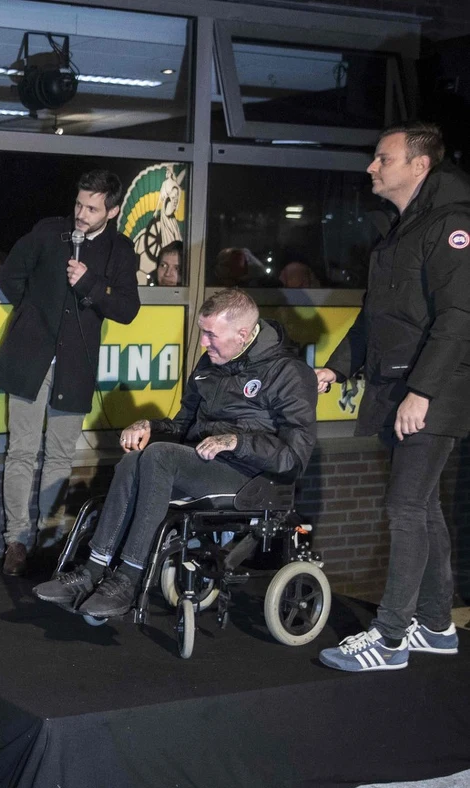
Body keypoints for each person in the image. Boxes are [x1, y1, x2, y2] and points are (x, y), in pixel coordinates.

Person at [34, 289, 317, 619]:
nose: (204, 343)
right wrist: (150, 426)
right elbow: (183, 426)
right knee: (134, 458)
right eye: (202, 332)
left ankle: (127, 580)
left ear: (242, 334)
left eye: (211, 335)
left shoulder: (288, 373)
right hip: (203, 464)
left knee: (158, 457)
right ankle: (91, 572)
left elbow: (294, 458)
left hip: (251, 477)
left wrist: (237, 443)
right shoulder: (211, 364)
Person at [315, 121, 470, 672]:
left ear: (419, 165)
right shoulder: (402, 230)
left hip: (433, 390)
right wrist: (334, 369)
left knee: (405, 507)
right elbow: (374, 316)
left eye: (384, 158)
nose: (372, 167)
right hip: (395, 385)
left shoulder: (452, 226)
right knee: (422, 507)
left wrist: (422, 392)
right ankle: (437, 626)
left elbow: (459, 316)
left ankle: (390, 637)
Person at [0, 170, 141, 576]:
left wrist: (90, 284)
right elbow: (9, 276)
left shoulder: (120, 250)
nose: (81, 214)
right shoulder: (48, 232)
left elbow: (127, 309)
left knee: (59, 455)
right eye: (78, 204)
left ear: (113, 211)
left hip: (75, 366)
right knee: (21, 451)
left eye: (92, 208)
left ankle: (50, 540)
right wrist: (34, 316)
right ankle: (16, 541)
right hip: (29, 359)